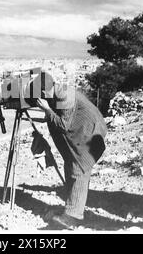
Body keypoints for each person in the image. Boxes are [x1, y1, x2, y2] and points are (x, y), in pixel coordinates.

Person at [34, 72, 107, 229]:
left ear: (42, 92)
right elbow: (59, 117)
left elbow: (63, 125)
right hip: (82, 130)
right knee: (71, 165)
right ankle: (71, 207)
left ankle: (74, 216)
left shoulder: (64, 97)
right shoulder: (56, 92)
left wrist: (47, 110)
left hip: (90, 132)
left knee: (79, 168)